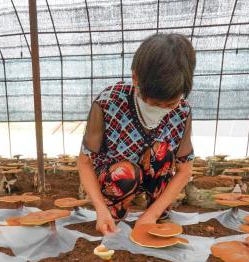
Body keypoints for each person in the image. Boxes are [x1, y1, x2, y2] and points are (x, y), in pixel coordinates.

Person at [77, 33, 196, 236]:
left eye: (171, 103)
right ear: (135, 79)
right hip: (116, 179)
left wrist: (151, 214)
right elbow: (85, 162)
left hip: (153, 181)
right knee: (127, 173)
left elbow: (184, 169)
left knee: (163, 153)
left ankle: (157, 215)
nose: (163, 109)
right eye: (156, 104)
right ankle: (112, 213)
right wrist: (100, 208)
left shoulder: (182, 112)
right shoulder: (109, 103)